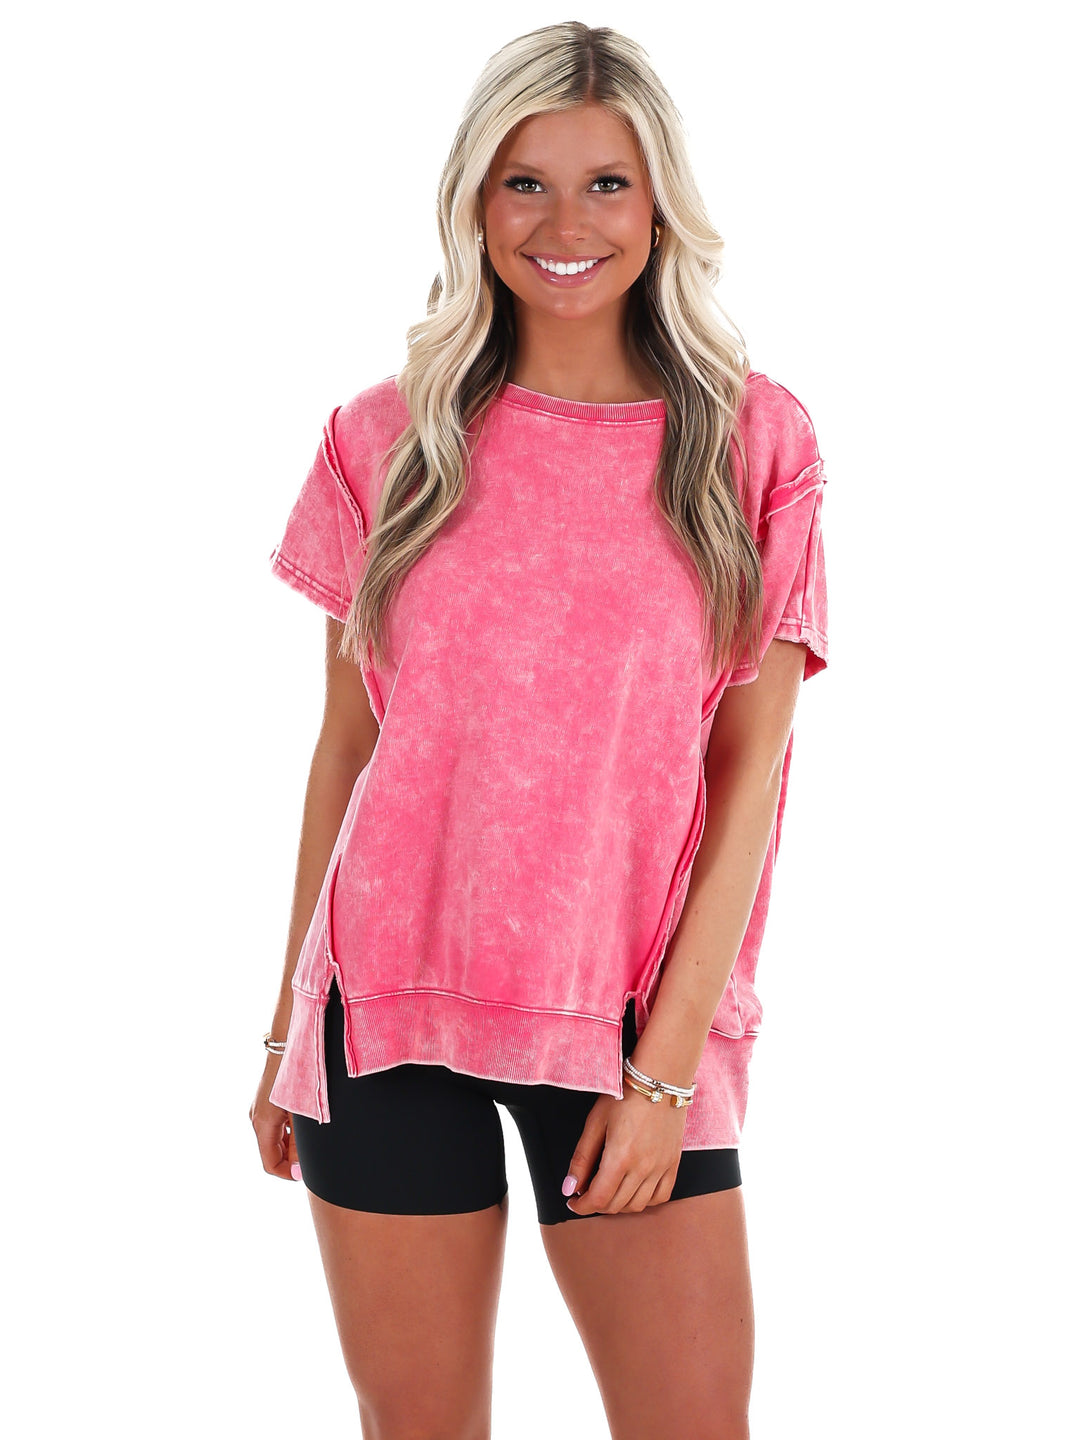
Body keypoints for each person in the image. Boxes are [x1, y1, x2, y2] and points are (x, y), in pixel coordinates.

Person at [250, 21, 829, 1440]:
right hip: (383, 1017)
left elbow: (751, 770)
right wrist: (282, 1033)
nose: (566, 225)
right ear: (474, 198)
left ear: (661, 202)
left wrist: (667, 1071)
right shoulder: (385, 438)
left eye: (606, 184)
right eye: (526, 183)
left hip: (628, 1029)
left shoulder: (752, 444)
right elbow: (347, 751)